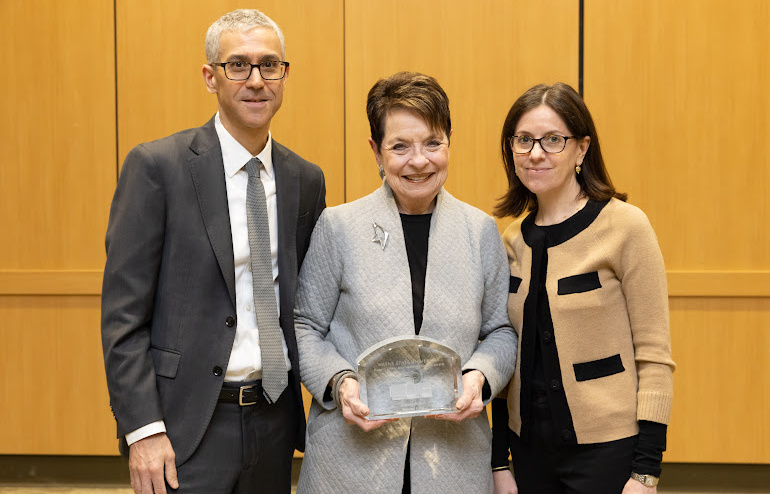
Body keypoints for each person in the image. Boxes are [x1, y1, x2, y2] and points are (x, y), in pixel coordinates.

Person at [101, 9, 326, 494]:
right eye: (238, 65)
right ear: (210, 76)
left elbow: (309, 303)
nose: (256, 80)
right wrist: (143, 430)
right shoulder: (157, 168)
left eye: (270, 65)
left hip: (274, 421)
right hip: (186, 427)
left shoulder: (305, 180)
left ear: (285, 75)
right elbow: (123, 318)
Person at [293, 71, 518, 493]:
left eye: (433, 143)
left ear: (449, 141)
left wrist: (479, 377)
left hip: (453, 459)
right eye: (400, 147)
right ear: (376, 152)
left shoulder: (480, 231)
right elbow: (305, 326)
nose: (419, 161)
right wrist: (341, 384)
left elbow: (500, 331)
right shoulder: (339, 227)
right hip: (351, 460)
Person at [490, 82, 675, 494]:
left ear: (582, 148)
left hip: (607, 451)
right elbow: (504, 360)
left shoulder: (626, 227)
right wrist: (497, 461)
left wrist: (646, 471)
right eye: (523, 140)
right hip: (529, 451)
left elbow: (654, 357)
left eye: (553, 139)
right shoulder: (511, 239)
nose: (536, 152)